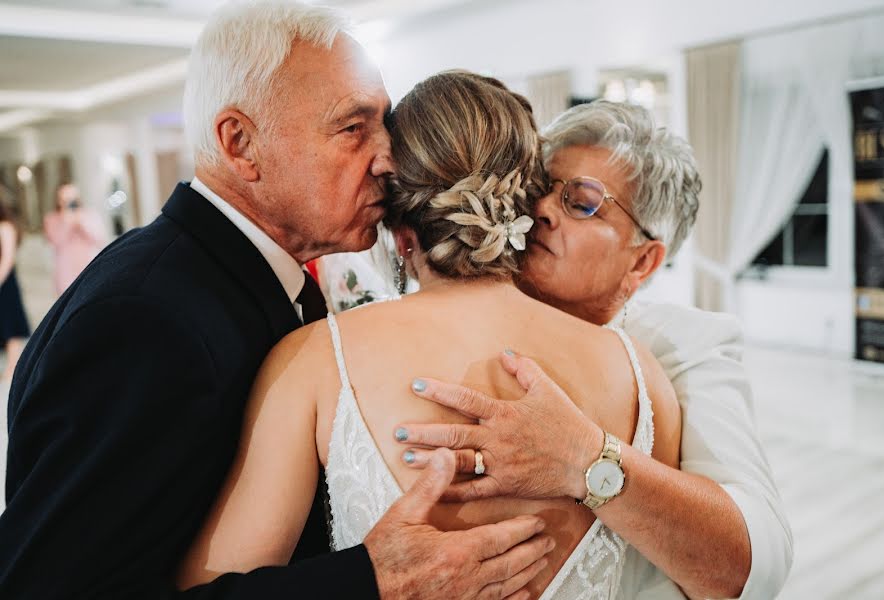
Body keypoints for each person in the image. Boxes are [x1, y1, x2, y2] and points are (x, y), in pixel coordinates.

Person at [0, 3, 552, 599]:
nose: (388, 157)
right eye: (352, 128)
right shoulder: (144, 319)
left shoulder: (248, 281)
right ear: (240, 144)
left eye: (383, 124)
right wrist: (371, 583)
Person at [176, 70, 683, 600]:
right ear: (528, 205)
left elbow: (210, 590)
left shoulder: (314, 362)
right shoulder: (639, 373)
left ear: (397, 227)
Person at [395, 100, 794, 599]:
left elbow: (757, 568)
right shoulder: (443, 317)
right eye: (542, 189)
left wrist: (586, 459)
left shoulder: (681, 344)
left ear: (643, 262)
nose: (542, 210)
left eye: (581, 203)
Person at [43, 182, 107, 295]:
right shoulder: (51, 218)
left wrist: (81, 223)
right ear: (58, 200)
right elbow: (56, 241)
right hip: (65, 272)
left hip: (89, 267)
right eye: (65, 199)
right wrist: (66, 221)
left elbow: (99, 240)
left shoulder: (90, 215)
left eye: (72, 198)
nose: (70, 203)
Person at [0, 200, 29, 383]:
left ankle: (12, 368)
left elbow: (8, 258)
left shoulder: (5, 226)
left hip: (5, 282)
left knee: (10, 323)